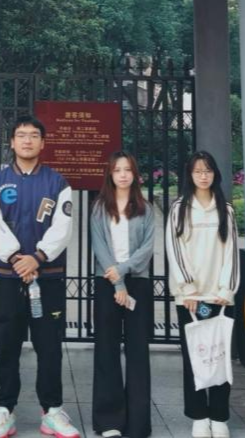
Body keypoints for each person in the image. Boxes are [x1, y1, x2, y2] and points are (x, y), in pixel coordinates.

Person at [0, 115, 80, 438]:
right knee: (6, 348)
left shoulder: (58, 183)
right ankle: (4, 411)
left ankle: (52, 411)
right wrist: (15, 259)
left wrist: (36, 258)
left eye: (33, 135)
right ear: (11, 142)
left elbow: (62, 228)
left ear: (42, 142)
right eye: (21, 135)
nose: (27, 140)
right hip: (7, 279)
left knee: (49, 348)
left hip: (48, 278)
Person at [166, 151, 239, 438]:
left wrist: (225, 289)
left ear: (215, 174)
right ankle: (199, 416)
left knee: (220, 356)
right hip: (190, 298)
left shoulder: (226, 209)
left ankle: (219, 416)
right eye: (198, 171)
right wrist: (188, 289)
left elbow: (231, 252)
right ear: (190, 175)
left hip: (220, 297)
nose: (203, 176)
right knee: (193, 357)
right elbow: (175, 250)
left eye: (208, 171)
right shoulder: (180, 209)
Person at [89, 151, 155, 438]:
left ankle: (138, 423)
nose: (123, 175)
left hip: (137, 282)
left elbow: (147, 248)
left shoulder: (146, 208)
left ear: (135, 174)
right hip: (107, 283)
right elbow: (99, 247)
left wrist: (123, 271)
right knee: (107, 349)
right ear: (110, 174)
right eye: (117, 170)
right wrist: (117, 283)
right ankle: (109, 421)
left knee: (138, 351)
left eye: (128, 169)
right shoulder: (99, 208)